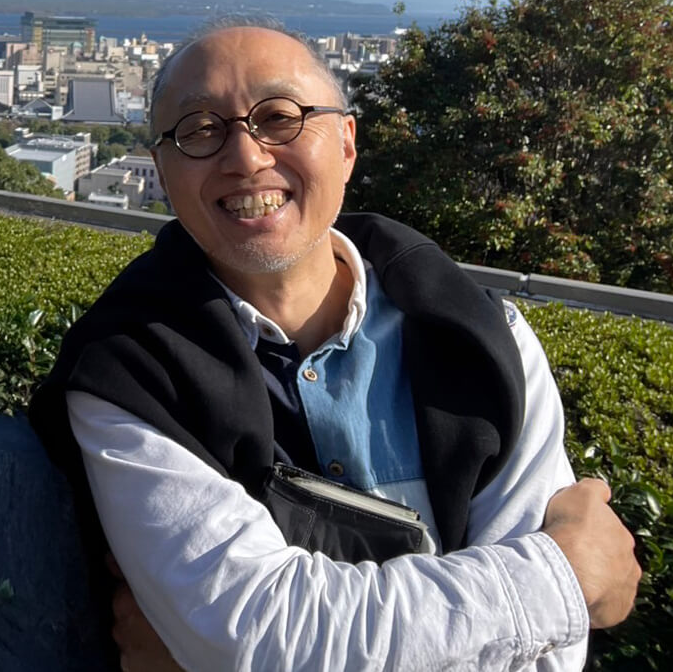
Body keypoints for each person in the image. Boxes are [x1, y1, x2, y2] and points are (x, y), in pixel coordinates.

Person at [29, 18, 640, 672]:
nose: (246, 157)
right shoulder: (128, 375)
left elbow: (546, 660)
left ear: (346, 144)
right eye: (200, 130)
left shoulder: (484, 342)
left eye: (280, 116)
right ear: (161, 168)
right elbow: (261, 635)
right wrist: (559, 578)